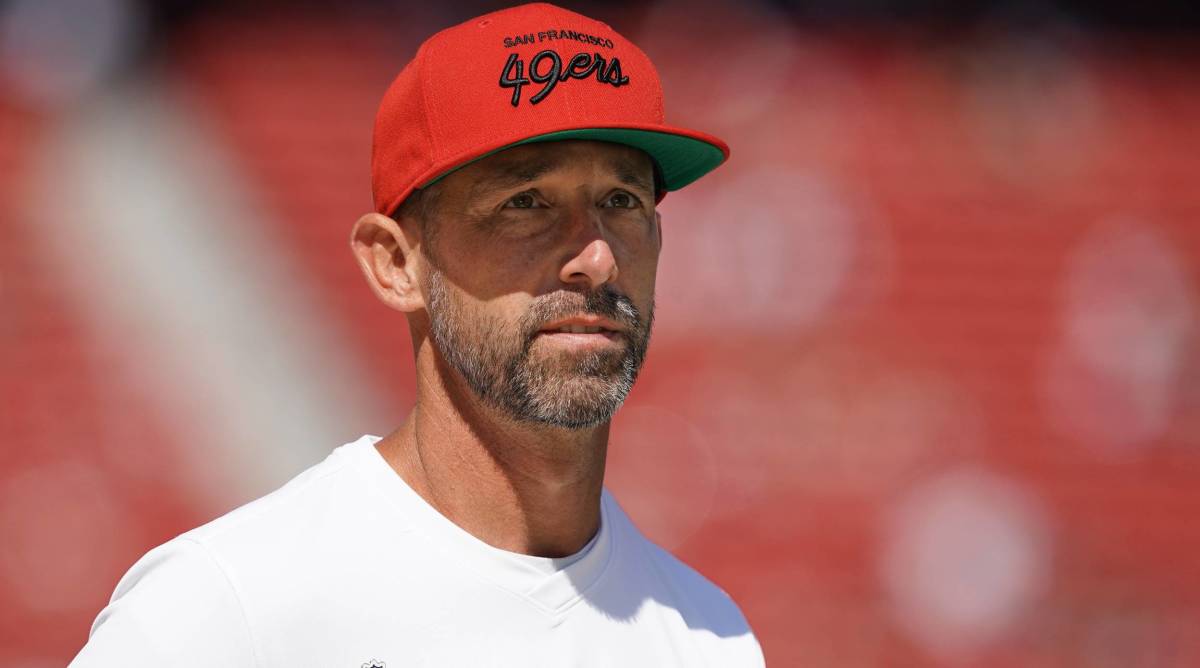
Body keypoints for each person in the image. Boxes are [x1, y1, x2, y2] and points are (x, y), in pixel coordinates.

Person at [70, 3, 763, 666]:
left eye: (622, 201)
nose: (598, 256)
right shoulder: (224, 609)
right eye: (525, 203)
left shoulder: (710, 639)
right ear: (397, 264)